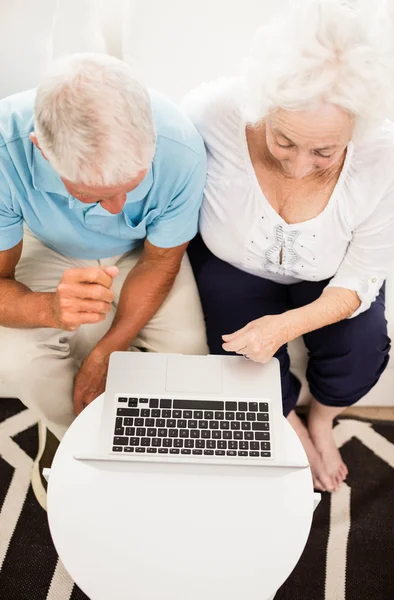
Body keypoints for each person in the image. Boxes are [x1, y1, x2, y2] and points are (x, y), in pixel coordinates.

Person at [183, 0, 394, 492]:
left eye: (325, 152)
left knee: (360, 350)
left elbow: (364, 273)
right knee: (238, 358)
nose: (299, 167)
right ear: (262, 106)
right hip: (229, 263)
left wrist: (286, 326)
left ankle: (321, 418)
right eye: (283, 141)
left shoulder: (386, 155)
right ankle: (287, 418)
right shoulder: (208, 113)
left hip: (333, 272)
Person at [0, 53, 208, 501]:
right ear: (41, 148)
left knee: (190, 359)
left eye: (131, 186)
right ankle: (69, 434)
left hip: (144, 255)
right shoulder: (3, 150)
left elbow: (161, 262)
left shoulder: (181, 148)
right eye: (92, 193)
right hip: (44, 242)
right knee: (15, 361)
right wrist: (47, 308)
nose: (117, 209)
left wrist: (106, 352)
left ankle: (147, 447)